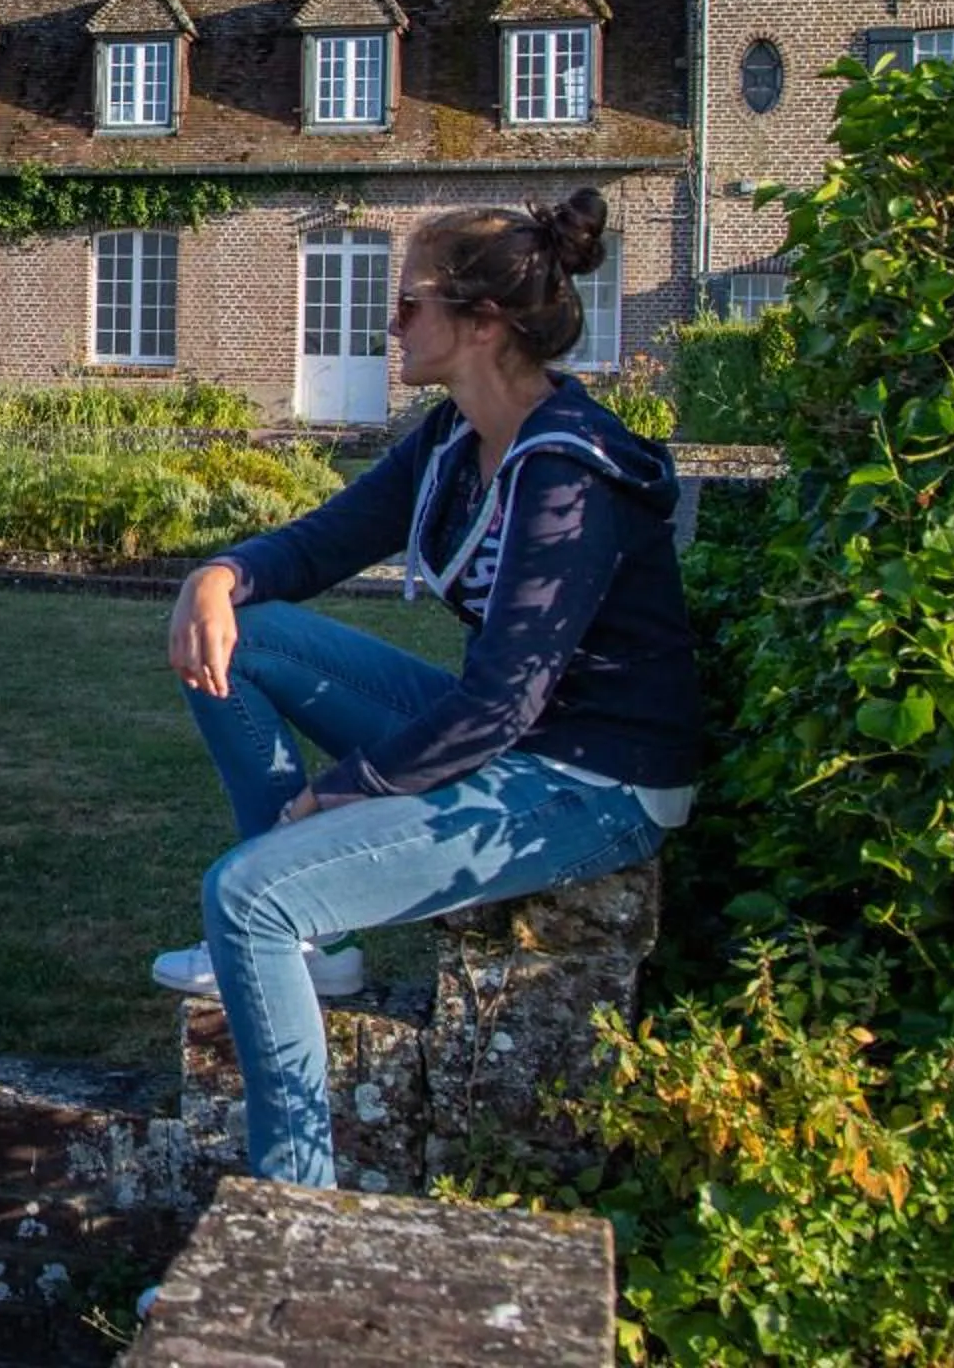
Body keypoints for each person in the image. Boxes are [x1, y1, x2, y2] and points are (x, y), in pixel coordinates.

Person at [152, 189, 701, 1189]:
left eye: (406, 304)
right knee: (251, 635)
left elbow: (504, 700)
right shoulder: (453, 438)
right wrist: (218, 574)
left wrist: (342, 789)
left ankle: (291, 1216)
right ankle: (316, 937)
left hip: (597, 783)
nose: (387, 322)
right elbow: (324, 540)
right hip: (523, 740)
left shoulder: (568, 471)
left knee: (249, 892)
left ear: (481, 322)